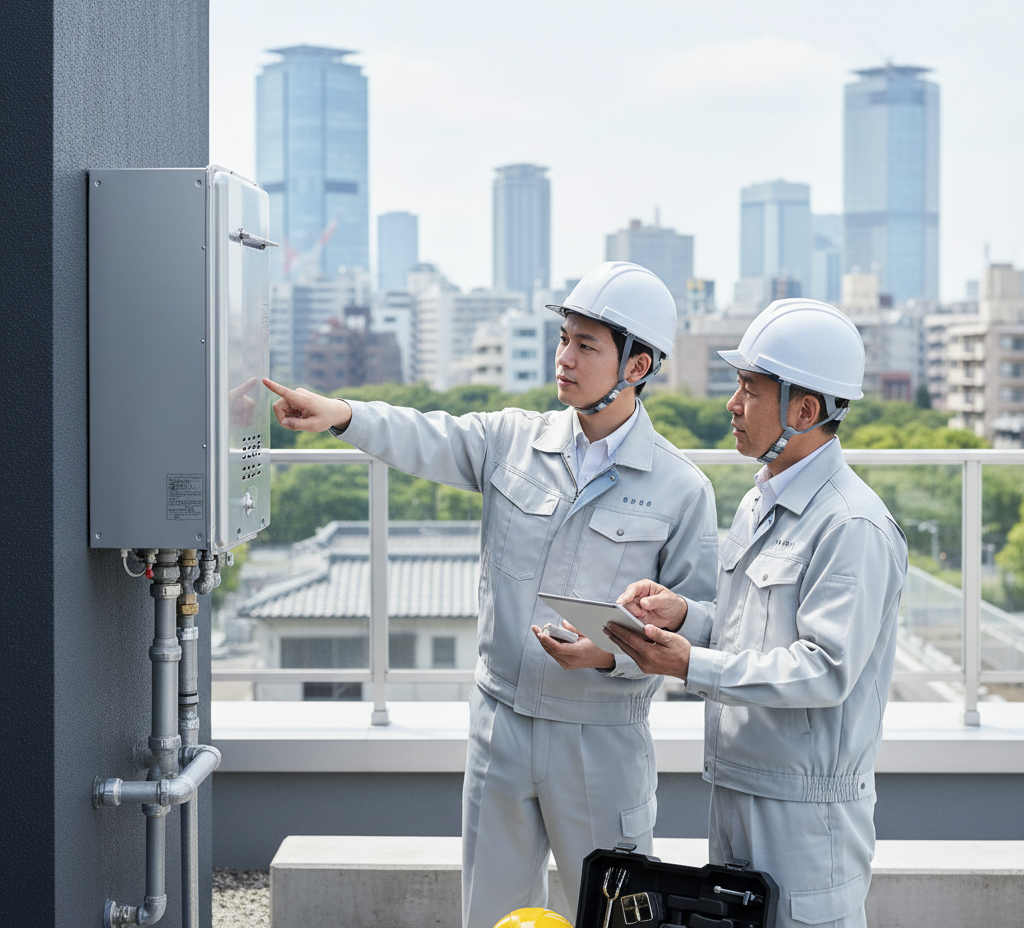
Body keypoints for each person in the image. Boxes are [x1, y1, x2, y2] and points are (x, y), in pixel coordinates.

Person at [263, 262, 719, 927]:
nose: (563, 357)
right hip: (500, 725)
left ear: (638, 365)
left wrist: (611, 655)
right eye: (564, 338)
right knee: (491, 914)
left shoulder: (681, 489)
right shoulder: (511, 441)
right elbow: (426, 435)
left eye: (586, 345)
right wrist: (342, 416)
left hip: (602, 737)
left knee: (618, 917)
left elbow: (701, 621)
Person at [608, 298, 908, 928]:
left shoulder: (851, 525)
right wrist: (685, 616)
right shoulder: (758, 502)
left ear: (805, 409)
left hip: (804, 816)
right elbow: (752, 633)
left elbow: (824, 670)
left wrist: (692, 664)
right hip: (737, 789)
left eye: (749, 387)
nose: (732, 403)